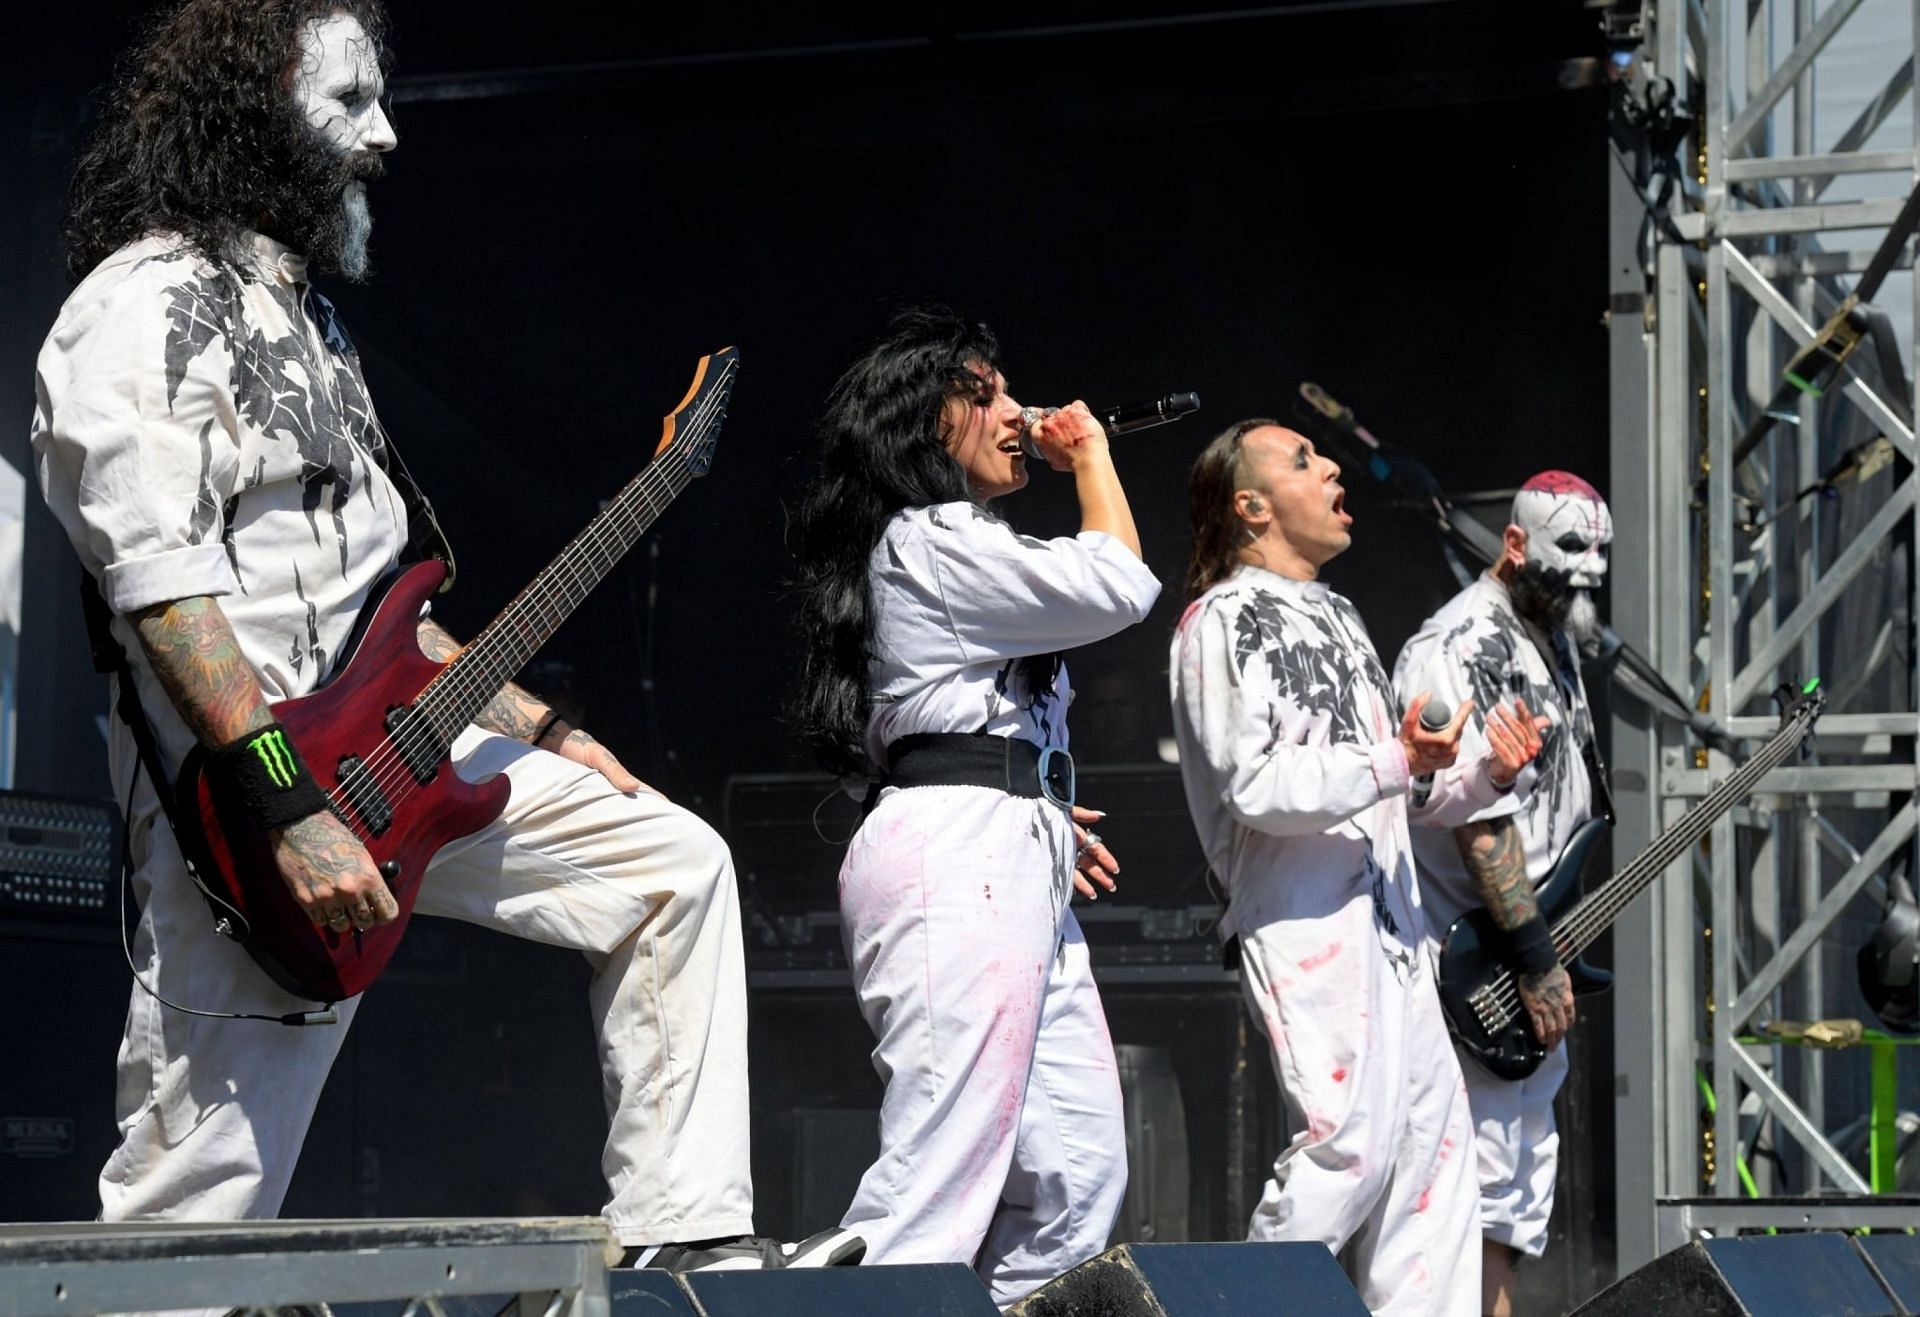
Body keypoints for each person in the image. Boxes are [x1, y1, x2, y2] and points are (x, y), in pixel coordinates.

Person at [32, 0, 855, 1274]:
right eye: (349, 104)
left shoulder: (315, 323)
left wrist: (542, 725)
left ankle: (688, 1249)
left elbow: (387, 616)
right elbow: (164, 596)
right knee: (190, 1226)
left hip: (400, 761)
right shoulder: (137, 305)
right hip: (253, 817)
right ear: (250, 114)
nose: (388, 136)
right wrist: (293, 810)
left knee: (672, 866)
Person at [790, 308, 1159, 1306]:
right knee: (942, 1176)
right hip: (954, 851)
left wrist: (1033, 807)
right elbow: (1116, 583)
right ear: (920, 420)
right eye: (983, 390)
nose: (1015, 409)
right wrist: (1090, 456)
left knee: (1078, 1178)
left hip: (996, 842)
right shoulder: (926, 537)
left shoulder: (958, 543)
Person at [1168, 419, 1545, 1315]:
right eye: (1303, 460)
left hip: (1393, 922)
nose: (1334, 465)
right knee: (1350, 1149)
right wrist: (1397, 762)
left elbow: (1399, 800)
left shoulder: (1337, 612)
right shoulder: (1220, 618)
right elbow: (1254, 783)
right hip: (1304, 917)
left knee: (1434, 1159)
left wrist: (1481, 772)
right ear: (1250, 505)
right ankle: (1244, 1306)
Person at [1391, 470, 1612, 1317]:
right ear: (1514, 546)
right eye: (1568, 558)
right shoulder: (1457, 644)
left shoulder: (1547, 631)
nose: (1587, 577)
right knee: (1467, 1183)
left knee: (1515, 1188)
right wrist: (1531, 955)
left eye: (1600, 559)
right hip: (1479, 960)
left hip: (1532, 947)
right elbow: (1480, 821)